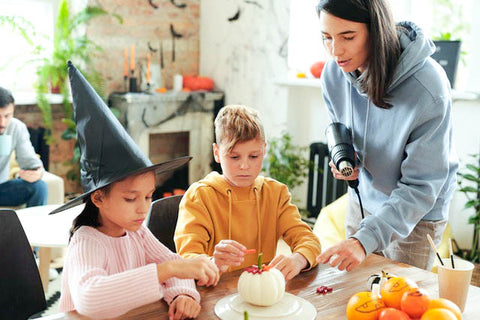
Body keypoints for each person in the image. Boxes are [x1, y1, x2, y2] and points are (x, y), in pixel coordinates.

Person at [57, 62, 219, 319]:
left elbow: (177, 265)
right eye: (131, 198)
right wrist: (164, 271)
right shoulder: (87, 241)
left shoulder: (137, 233)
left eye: (148, 196)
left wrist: (182, 295)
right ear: (98, 197)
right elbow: (90, 299)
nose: (143, 207)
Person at [314, 0, 458, 272]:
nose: (335, 50)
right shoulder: (334, 73)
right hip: (363, 198)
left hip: (416, 214)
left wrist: (363, 240)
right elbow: (342, 131)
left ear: (376, 30)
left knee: (399, 301)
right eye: (327, 37)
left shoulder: (427, 88)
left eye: (348, 36)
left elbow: (421, 187)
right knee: (353, 291)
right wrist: (347, 162)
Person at [174, 105, 321, 281]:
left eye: (253, 156)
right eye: (234, 157)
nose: (245, 166)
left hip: (261, 288)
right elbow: (187, 259)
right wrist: (214, 263)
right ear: (217, 153)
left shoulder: (276, 193)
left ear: (264, 150)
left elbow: (308, 240)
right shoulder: (200, 197)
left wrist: (298, 260)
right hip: (213, 293)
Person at [0, 87, 48, 208]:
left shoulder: (16, 127)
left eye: (7, 116)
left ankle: (33, 227)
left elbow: (30, 161)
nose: (2, 123)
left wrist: (38, 172)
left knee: (39, 187)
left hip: (2, 189)